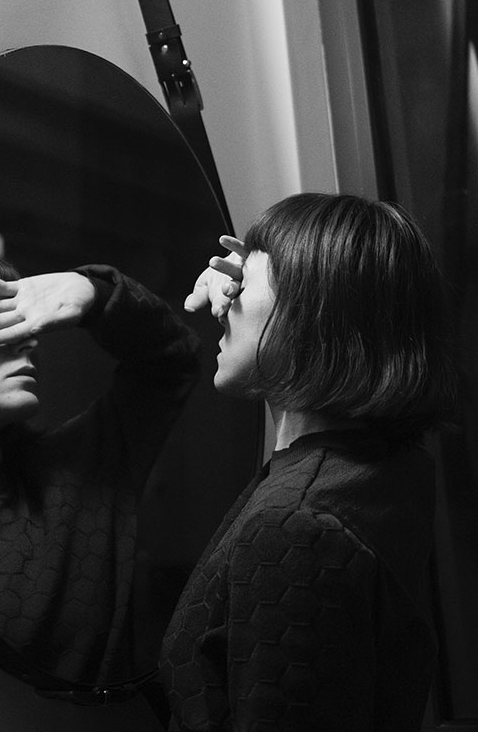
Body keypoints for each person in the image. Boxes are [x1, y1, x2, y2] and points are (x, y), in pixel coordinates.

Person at [159, 193, 455, 731]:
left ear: (309, 313)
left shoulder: (296, 529)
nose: (221, 304)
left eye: (242, 287)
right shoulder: (380, 470)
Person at [0, 256, 200, 685]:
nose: (26, 340)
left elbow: (171, 361)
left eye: (22, 319)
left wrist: (92, 293)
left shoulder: (78, 476)